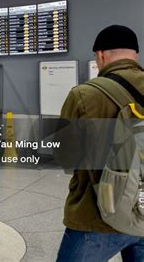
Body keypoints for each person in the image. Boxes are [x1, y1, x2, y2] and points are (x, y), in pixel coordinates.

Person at [56, 25, 144, 261]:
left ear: (100, 55)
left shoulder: (84, 94)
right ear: (135, 54)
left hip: (96, 215)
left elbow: (66, 159)